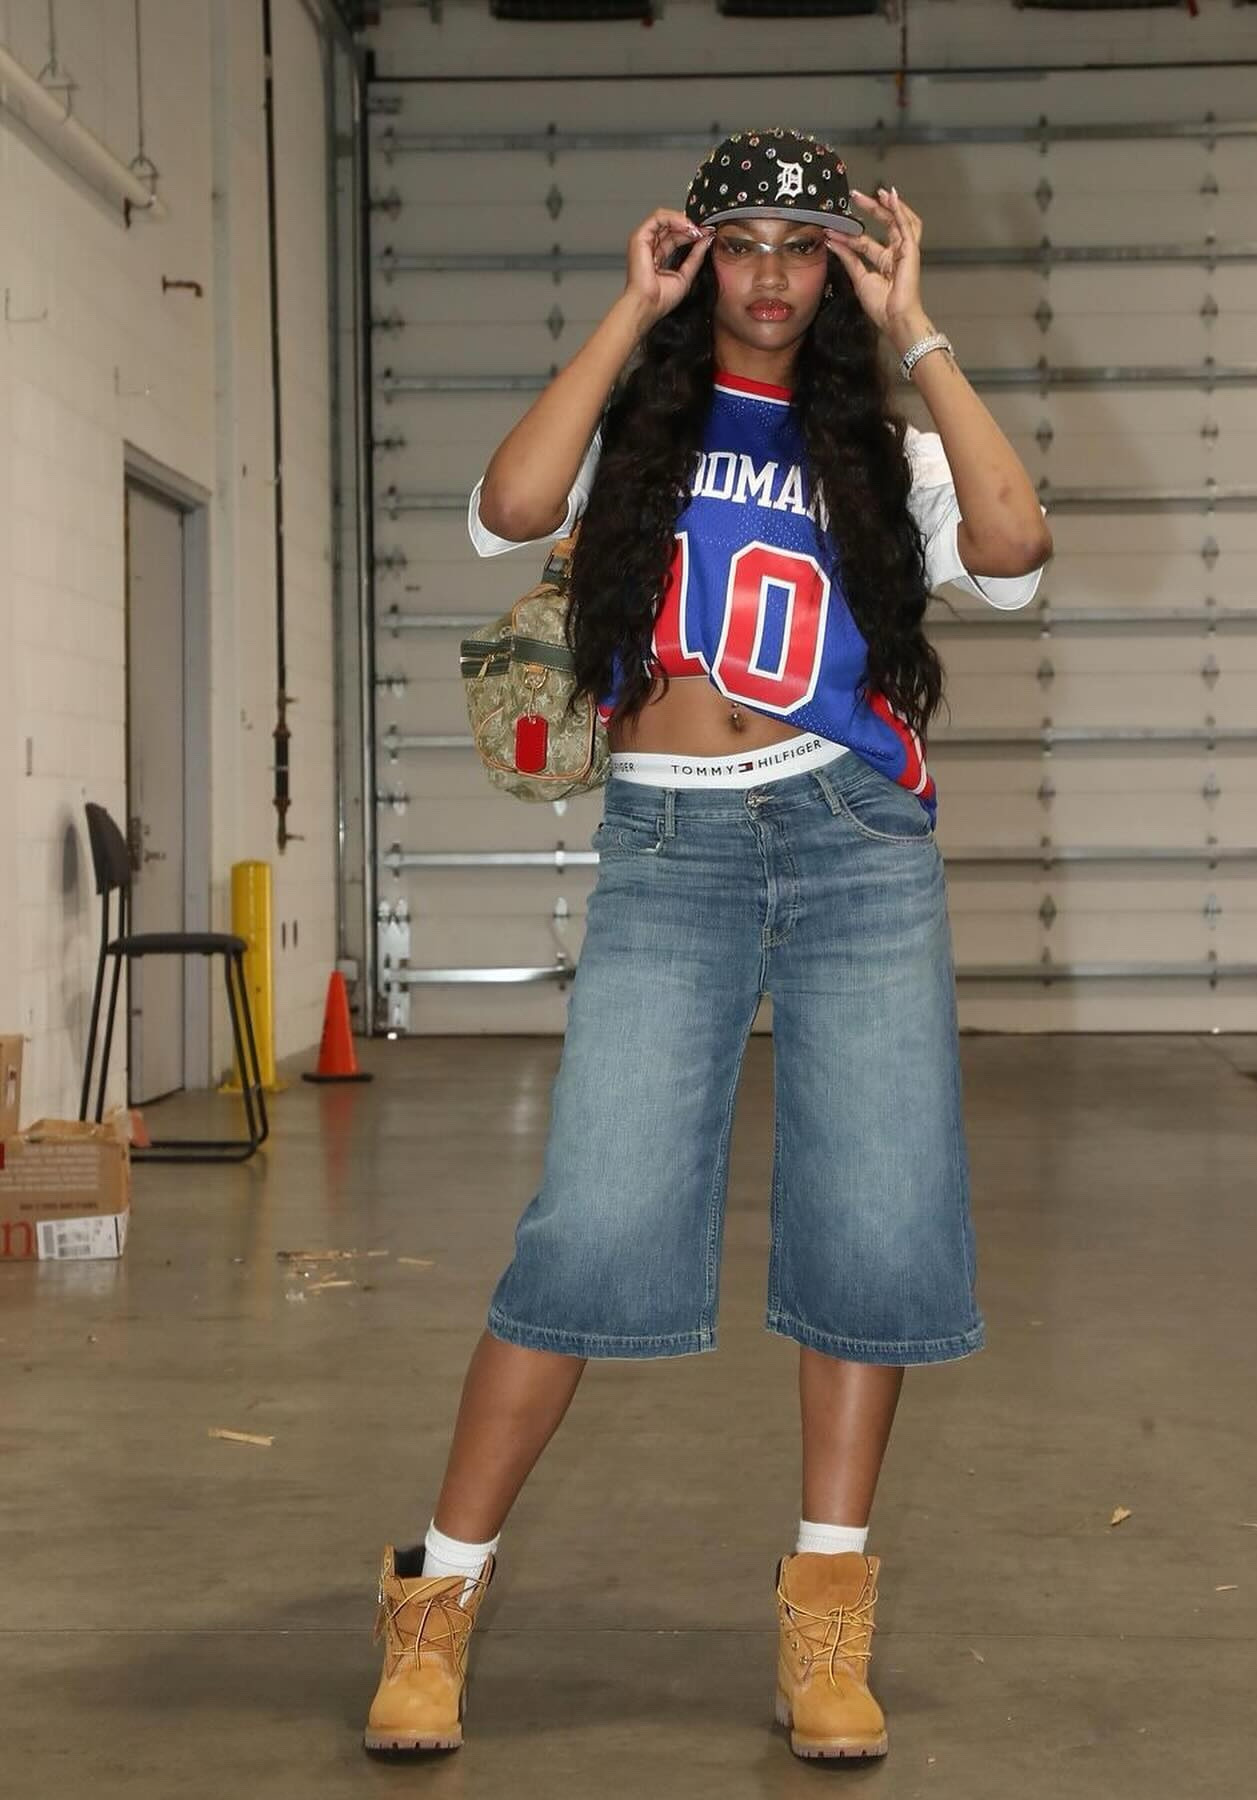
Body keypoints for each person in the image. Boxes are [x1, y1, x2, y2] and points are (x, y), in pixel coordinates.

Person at [366, 126, 1051, 1763]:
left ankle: (826, 1613)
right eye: (736, 238)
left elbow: (1018, 549)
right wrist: (626, 310)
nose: (764, 269)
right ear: (696, 253)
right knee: (590, 1230)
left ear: (837, 265)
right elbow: (507, 505)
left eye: (798, 245)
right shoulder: (642, 425)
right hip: (674, 842)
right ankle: (434, 1596)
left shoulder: (891, 444)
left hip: (858, 842)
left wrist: (921, 335)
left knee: (874, 1236)